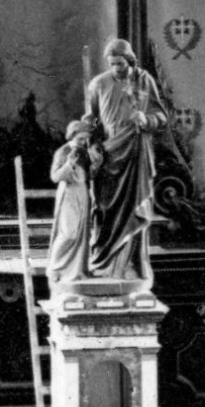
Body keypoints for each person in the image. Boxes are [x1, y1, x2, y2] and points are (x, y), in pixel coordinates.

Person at [83, 37, 169, 286]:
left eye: (120, 63)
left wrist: (148, 120)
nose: (116, 68)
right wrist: (92, 144)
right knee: (105, 210)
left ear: (129, 60)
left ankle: (130, 266)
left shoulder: (144, 81)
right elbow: (94, 120)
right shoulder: (98, 84)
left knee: (134, 209)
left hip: (136, 153)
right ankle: (104, 264)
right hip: (109, 156)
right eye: (112, 64)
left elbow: (162, 116)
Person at [47, 119, 94, 286]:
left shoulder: (85, 152)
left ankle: (76, 271)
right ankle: (55, 268)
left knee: (82, 234)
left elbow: (90, 174)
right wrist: (68, 165)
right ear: (73, 135)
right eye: (81, 138)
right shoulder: (63, 151)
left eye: (85, 139)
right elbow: (55, 177)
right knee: (69, 233)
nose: (83, 142)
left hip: (82, 193)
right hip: (68, 193)